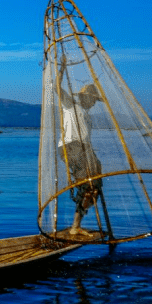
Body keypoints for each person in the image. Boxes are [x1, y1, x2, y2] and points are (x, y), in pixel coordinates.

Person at [58, 72, 103, 237]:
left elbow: (85, 137)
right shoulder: (71, 105)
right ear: (84, 98)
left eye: (95, 100)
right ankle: (75, 226)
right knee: (86, 183)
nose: (93, 103)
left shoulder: (86, 115)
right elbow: (58, 88)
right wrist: (62, 69)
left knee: (94, 187)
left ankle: (76, 224)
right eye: (92, 99)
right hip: (71, 147)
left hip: (84, 149)